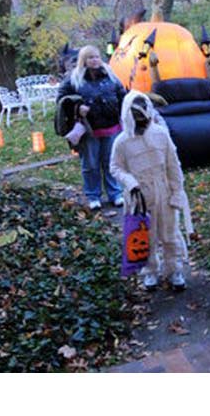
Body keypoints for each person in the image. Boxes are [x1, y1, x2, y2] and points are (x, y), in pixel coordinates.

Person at [110, 91, 193, 290]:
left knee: (170, 233)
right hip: (139, 198)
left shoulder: (161, 134)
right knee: (146, 236)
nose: (142, 125)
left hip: (163, 192)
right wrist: (130, 182)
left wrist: (177, 191)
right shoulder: (122, 142)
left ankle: (174, 270)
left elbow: (174, 165)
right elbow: (115, 167)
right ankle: (150, 271)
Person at [56, 45, 126, 210]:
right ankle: (93, 196)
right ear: (83, 60)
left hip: (111, 126)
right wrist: (77, 107)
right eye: (90, 57)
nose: (95, 60)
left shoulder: (110, 75)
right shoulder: (73, 79)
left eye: (96, 56)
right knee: (91, 164)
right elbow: (61, 99)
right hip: (89, 130)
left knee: (111, 162)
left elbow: (122, 94)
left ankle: (115, 193)